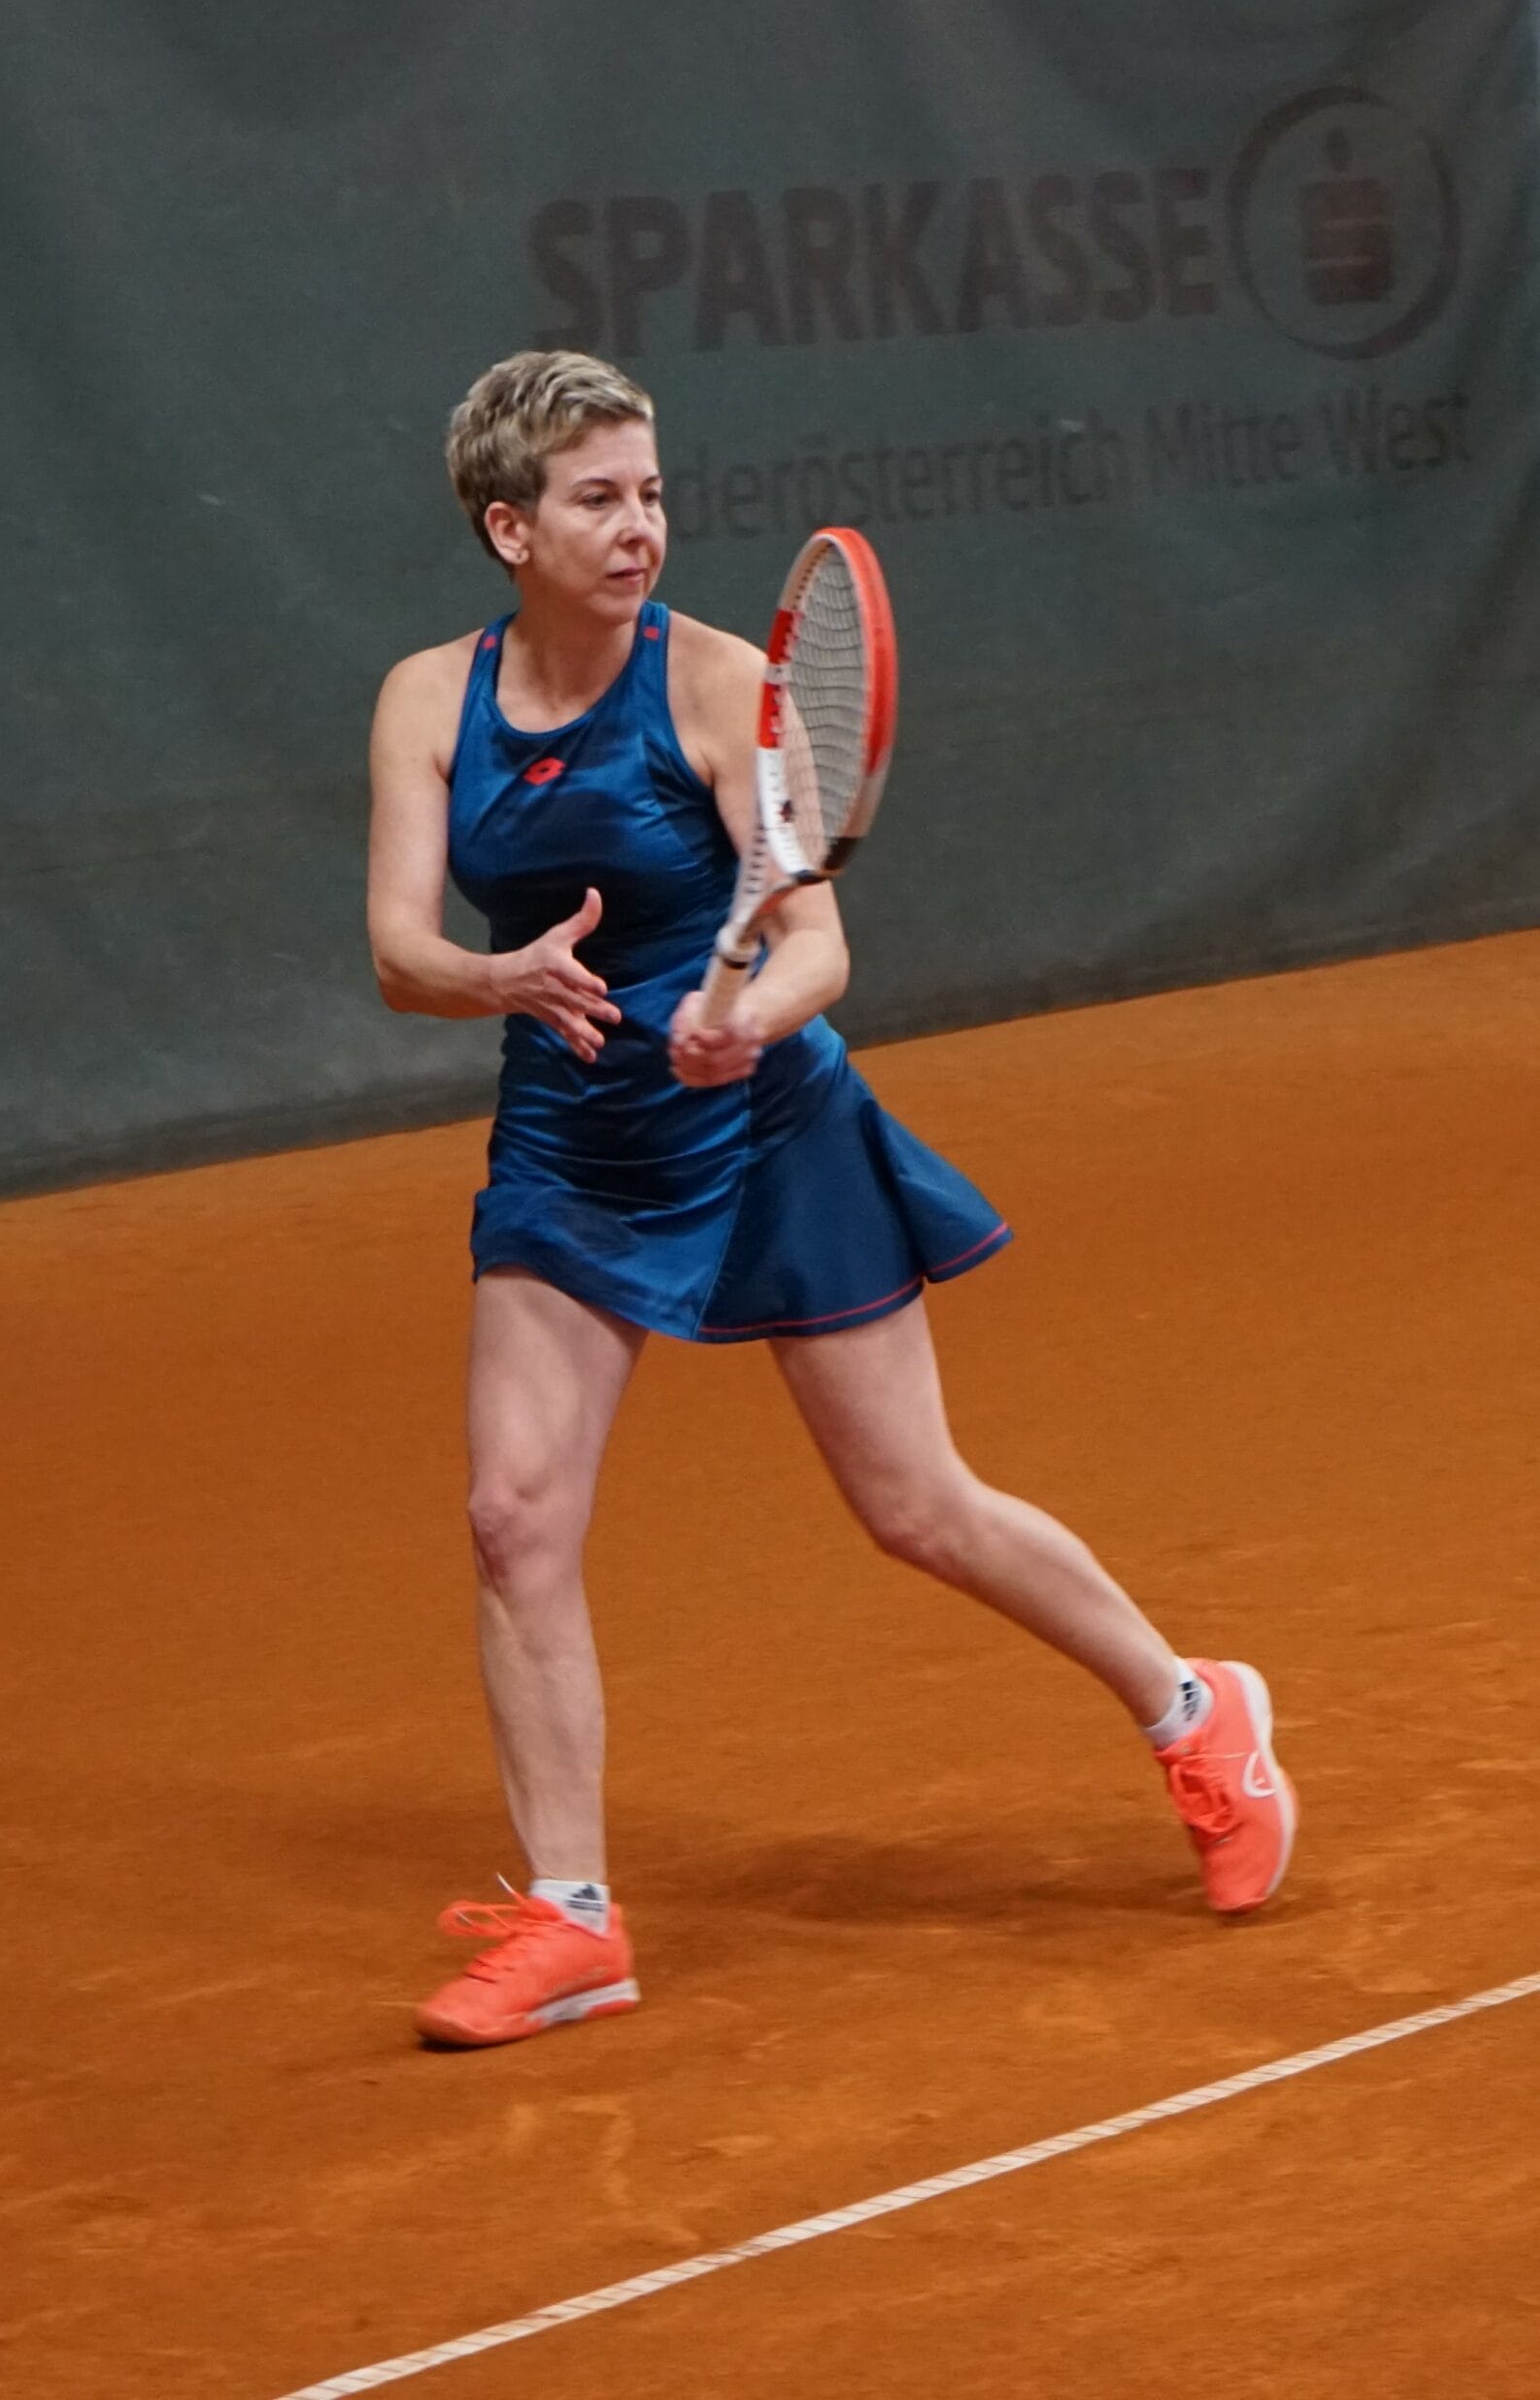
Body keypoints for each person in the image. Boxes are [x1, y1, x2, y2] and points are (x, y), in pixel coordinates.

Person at [366, 349, 1296, 2050]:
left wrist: (744, 1019)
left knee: (916, 1507)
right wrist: (497, 979)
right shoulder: (431, 700)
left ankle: (1191, 1707)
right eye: (597, 498)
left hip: (768, 1132)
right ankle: (573, 1919)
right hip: (572, 1146)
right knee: (513, 1518)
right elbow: (398, 950)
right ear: (509, 527)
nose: (640, 526)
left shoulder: (728, 685)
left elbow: (815, 945)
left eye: (651, 492)